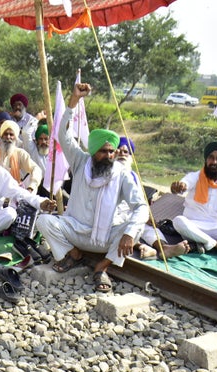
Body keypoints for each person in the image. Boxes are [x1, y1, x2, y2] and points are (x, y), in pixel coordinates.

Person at [35, 83, 149, 292]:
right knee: (43, 220)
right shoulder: (80, 161)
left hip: (105, 238)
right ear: (94, 150)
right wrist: (74, 101)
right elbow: (63, 135)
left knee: (136, 226)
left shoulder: (122, 173)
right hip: (75, 232)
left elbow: (141, 207)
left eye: (112, 151)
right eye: (104, 151)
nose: (109, 156)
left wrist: (129, 234)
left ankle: (101, 267)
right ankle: (74, 254)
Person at [113, 137, 190, 260]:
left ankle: (164, 248)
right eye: (119, 151)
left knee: (148, 227)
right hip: (115, 215)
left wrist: (147, 215)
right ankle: (141, 246)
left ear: (131, 157)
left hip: (132, 214)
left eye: (126, 152)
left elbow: (140, 200)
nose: (122, 154)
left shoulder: (133, 176)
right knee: (120, 227)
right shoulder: (109, 173)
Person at [0, 120, 41, 193]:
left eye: (11, 134)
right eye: (5, 134)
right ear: (1, 136)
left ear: (16, 137)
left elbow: (36, 169)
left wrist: (31, 187)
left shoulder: (20, 153)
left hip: (13, 194)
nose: (8, 137)